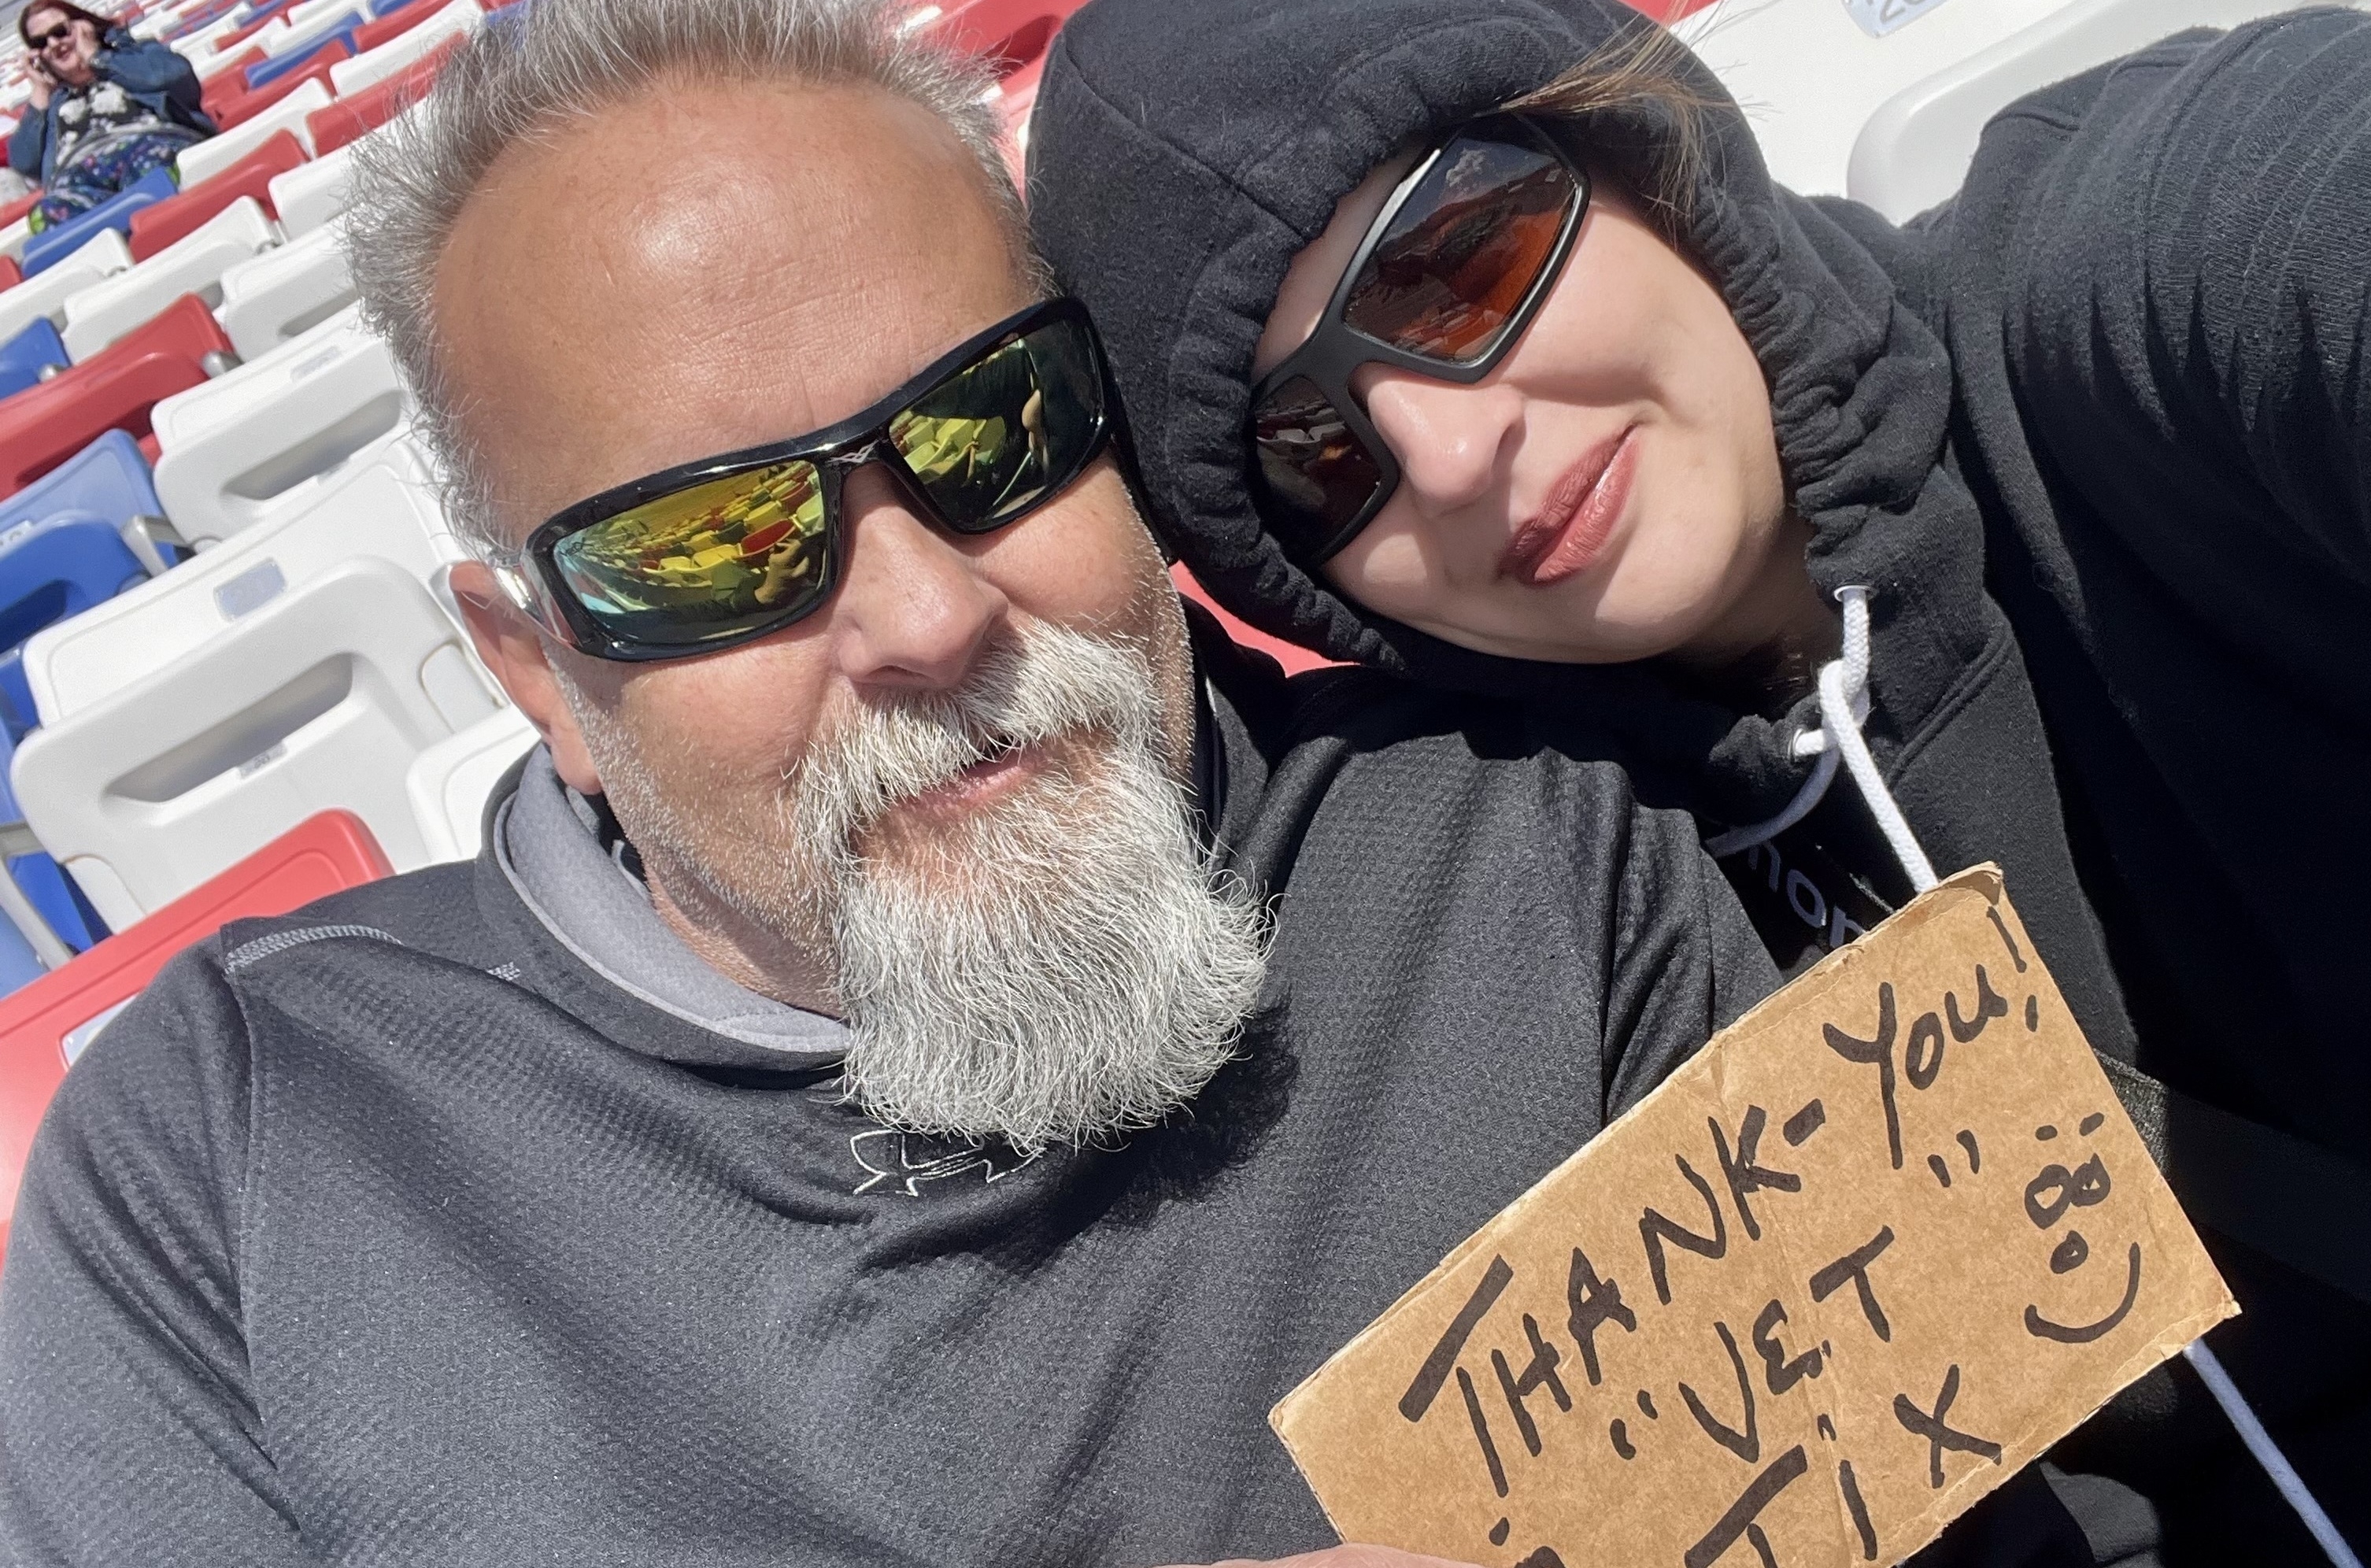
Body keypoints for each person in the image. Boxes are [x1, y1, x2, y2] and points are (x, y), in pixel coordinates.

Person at [0, 0, 1803, 1561]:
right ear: (540, 674)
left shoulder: (1524, 847)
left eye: (990, 428)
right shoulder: (241, 1156)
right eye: (713, 544)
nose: (929, 618)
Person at [1022, 2, 2371, 1563]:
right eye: (1317, 455)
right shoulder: (1567, 908)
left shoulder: (2128, 291)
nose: (1448, 454)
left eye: (1452, 264)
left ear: (1630, 144)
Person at [6, 0, 213, 229]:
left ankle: (161, 232)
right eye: (40, 42)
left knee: (150, 167)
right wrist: (40, 91)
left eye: (60, 31)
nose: (54, 44)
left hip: (148, 147)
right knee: (46, 212)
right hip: (79, 178)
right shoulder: (53, 104)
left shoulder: (136, 56)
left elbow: (173, 78)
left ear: (83, 26)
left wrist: (96, 58)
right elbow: (24, 162)